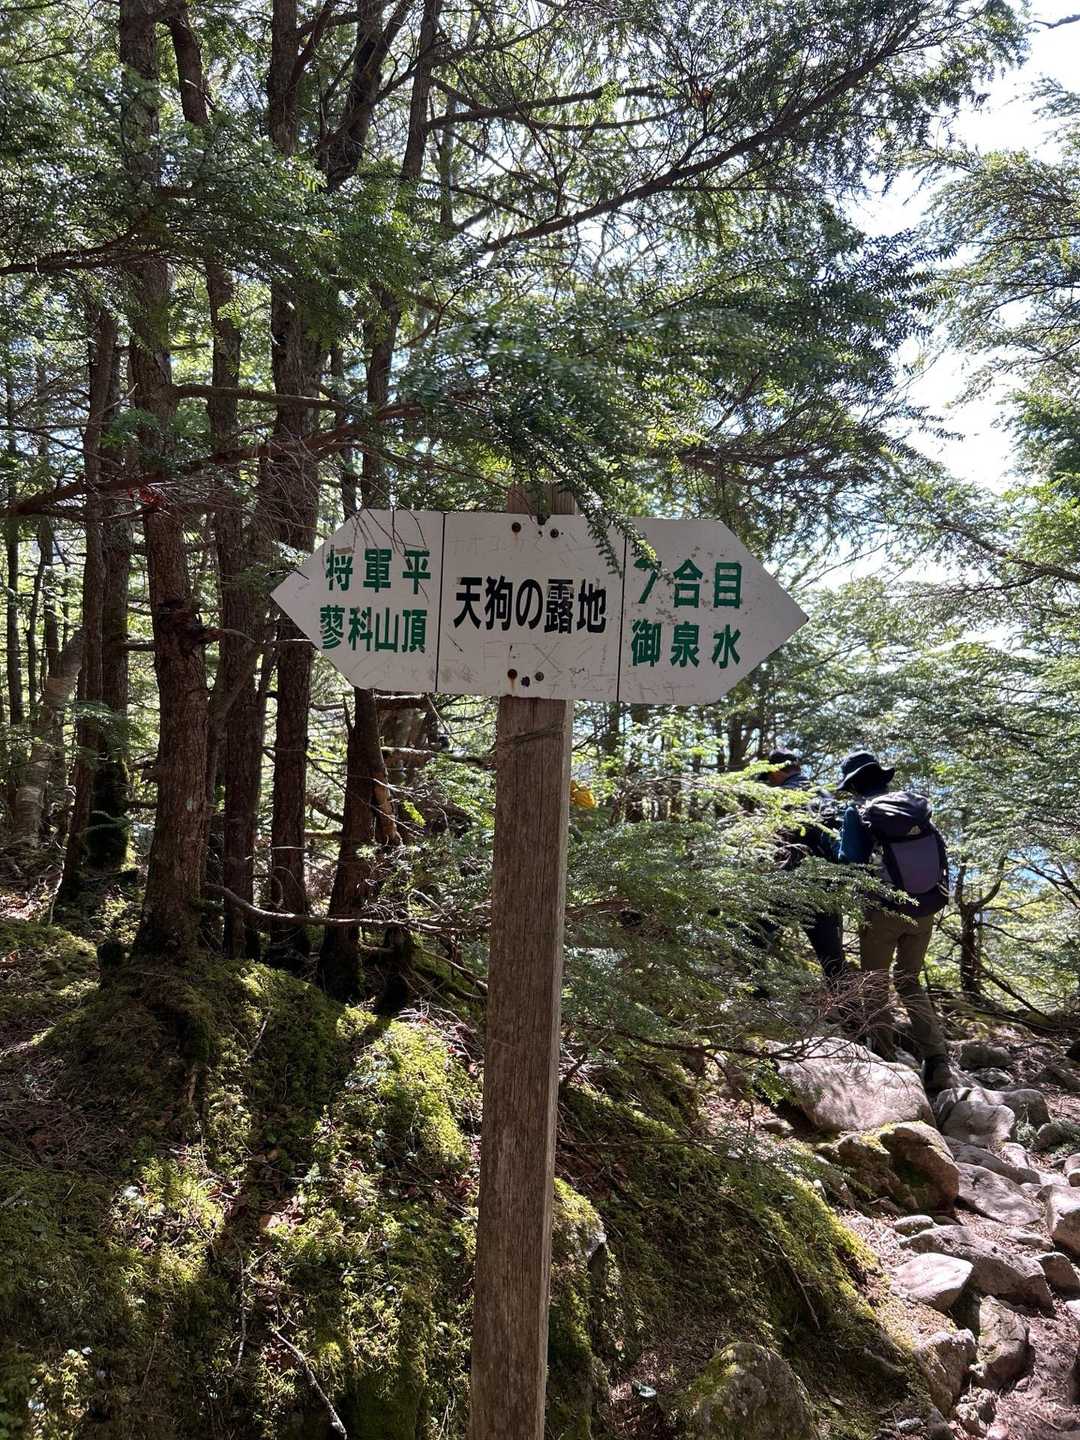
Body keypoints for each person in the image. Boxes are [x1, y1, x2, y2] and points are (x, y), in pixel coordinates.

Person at [833, 749, 955, 1094]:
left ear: (854, 784)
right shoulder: (913, 807)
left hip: (883, 910)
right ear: (882, 778)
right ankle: (938, 1061)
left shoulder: (858, 812)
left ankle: (884, 1059)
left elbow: (849, 860)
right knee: (909, 981)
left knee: (874, 982)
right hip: (925, 906)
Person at [761, 749, 849, 991]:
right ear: (797, 768)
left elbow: (774, 847)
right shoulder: (824, 795)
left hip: (790, 884)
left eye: (769, 776)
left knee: (752, 938)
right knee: (833, 960)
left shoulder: (781, 796)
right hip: (826, 886)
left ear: (775, 772)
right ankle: (851, 1011)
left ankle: (757, 1002)